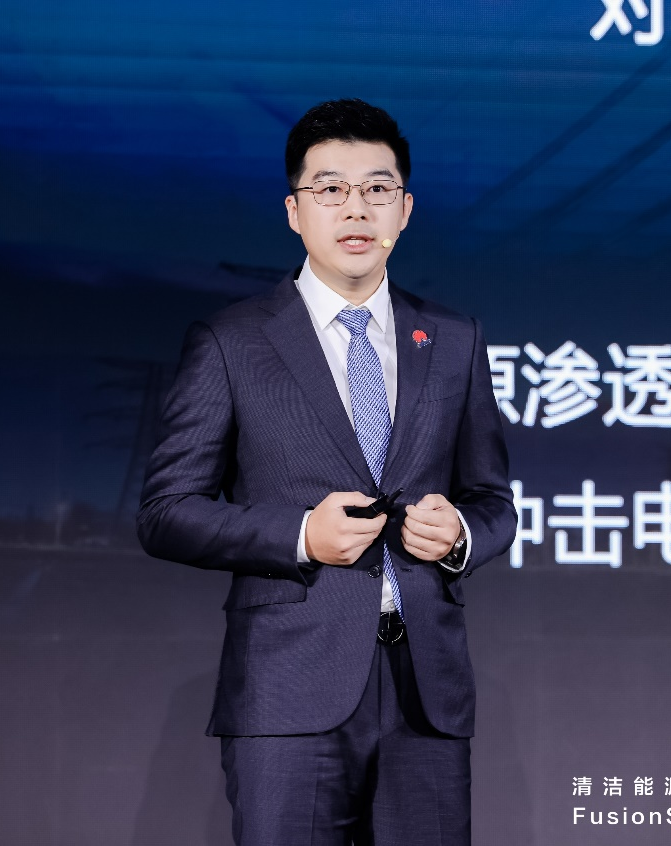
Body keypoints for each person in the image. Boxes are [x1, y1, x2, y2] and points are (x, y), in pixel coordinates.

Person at [137, 98, 516, 846]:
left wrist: (462, 534)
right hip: (287, 690)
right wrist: (301, 536)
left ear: (405, 209)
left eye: (377, 188)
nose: (356, 208)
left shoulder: (454, 338)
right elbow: (167, 509)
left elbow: (492, 499)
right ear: (294, 211)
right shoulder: (232, 340)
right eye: (330, 189)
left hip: (426, 695)